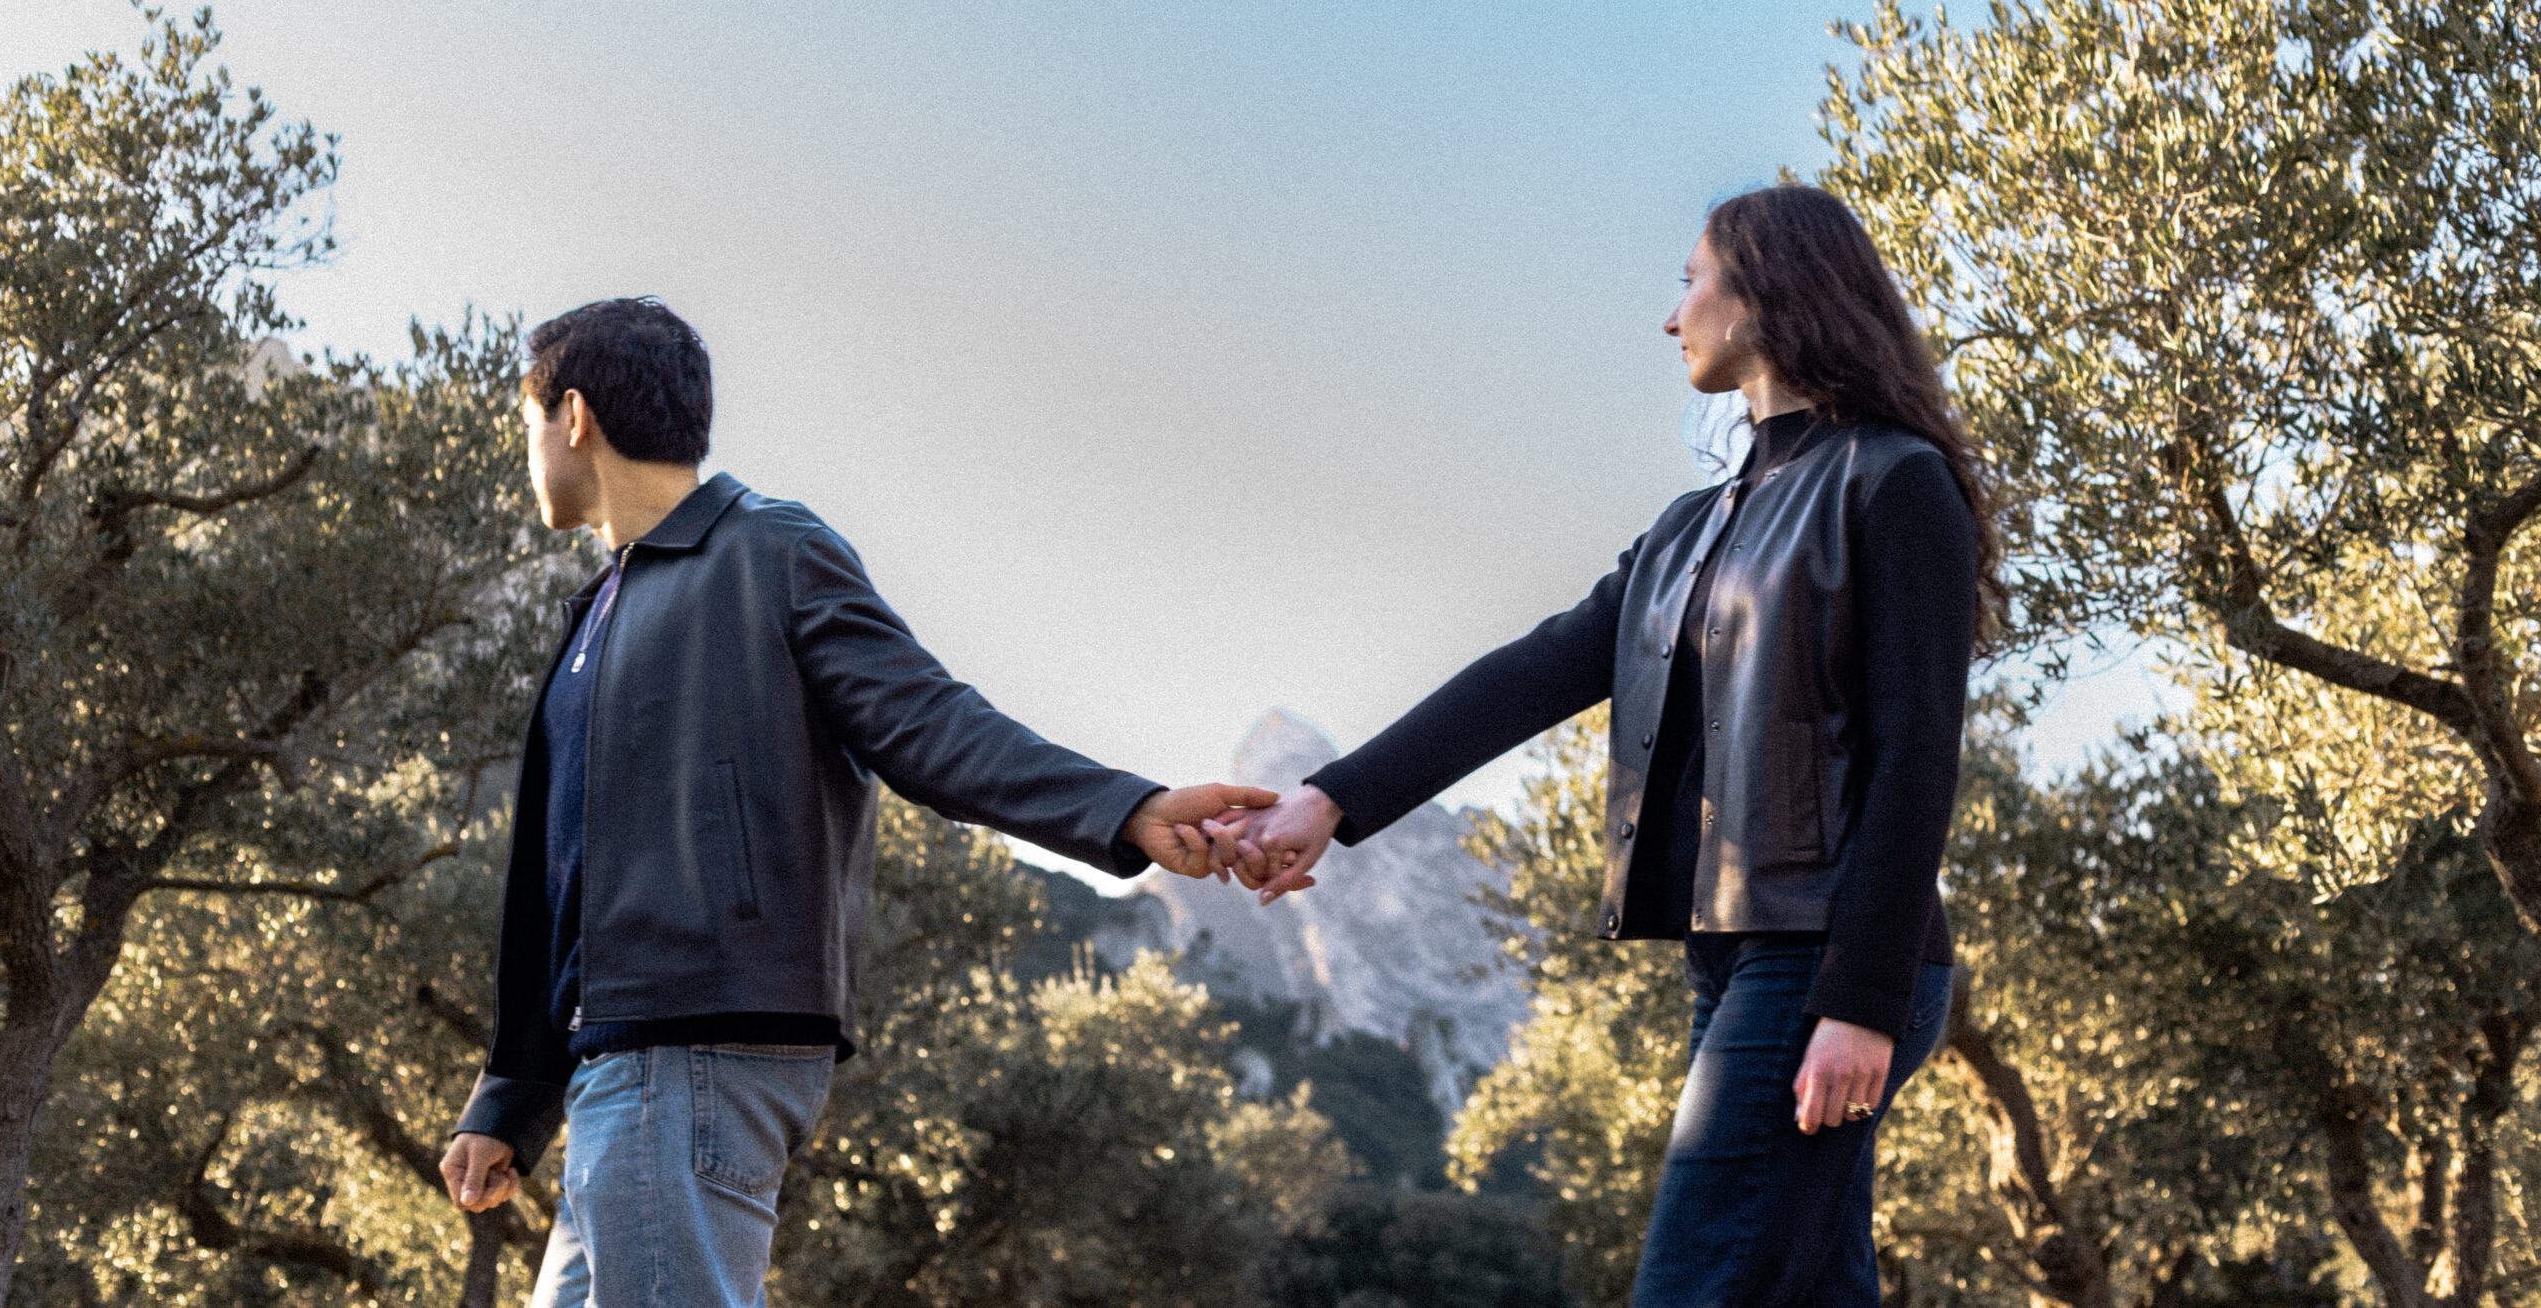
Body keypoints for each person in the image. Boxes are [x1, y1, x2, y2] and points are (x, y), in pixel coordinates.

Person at [1219, 186, 1997, 1306]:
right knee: (1809, 1286)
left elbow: (1919, 751)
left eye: (1690, 280)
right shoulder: (1691, 530)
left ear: (1767, 288)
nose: (1670, 316)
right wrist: (1329, 802)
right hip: (1729, 957)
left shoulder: (1892, 481)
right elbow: (1531, 672)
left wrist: (1862, 999)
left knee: (1691, 1283)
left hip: (1824, 956)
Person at [436, 297, 1270, 1308]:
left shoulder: (768, 552)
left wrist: (1122, 809)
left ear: (574, 416)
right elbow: (556, 879)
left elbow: (928, 724)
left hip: (693, 1052)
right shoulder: (599, 614)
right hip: (623, 1067)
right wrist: (512, 1098)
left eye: (526, 420)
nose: (528, 448)